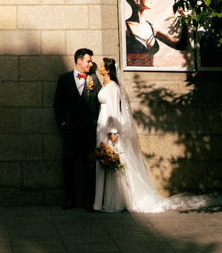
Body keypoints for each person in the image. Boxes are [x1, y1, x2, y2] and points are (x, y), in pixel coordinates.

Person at [93, 55, 174, 213]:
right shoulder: (106, 85)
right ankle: (102, 199)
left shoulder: (113, 88)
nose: (99, 67)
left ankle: (115, 199)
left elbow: (114, 110)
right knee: (104, 160)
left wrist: (113, 131)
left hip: (109, 126)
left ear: (107, 70)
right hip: (102, 124)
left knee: (111, 160)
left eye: (102, 65)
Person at [53, 47, 100, 211]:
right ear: (79, 61)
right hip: (71, 129)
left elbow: (98, 102)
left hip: (89, 129)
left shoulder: (94, 79)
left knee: (89, 164)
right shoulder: (64, 79)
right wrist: (63, 124)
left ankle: (89, 200)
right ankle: (69, 197)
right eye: (88, 60)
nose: (91, 64)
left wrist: (97, 123)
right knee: (68, 162)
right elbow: (57, 105)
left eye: (91, 60)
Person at [124, 0, 187, 65]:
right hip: (133, 75)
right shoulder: (125, 28)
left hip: (151, 75)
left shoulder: (152, 28)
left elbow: (181, 45)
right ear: (137, 0)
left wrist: (185, 21)